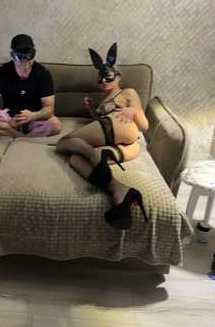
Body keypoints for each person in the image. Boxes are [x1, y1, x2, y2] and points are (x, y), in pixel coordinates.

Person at [56, 43, 150, 229]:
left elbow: (144, 126)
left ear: (118, 76)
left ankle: (94, 155)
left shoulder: (128, 92)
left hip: (122, 126)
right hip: (118, 138)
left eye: (108, 76)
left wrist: (133, 110)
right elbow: (100, 128)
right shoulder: (103, 101)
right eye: (100, 78)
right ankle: (120, 192)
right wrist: (92, 110)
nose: (103, 80)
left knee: (63, 143)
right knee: (75, 159)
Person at [0, 34, 62, 137]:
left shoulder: (42, 73)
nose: (25, 60)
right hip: (10, 119)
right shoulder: (3, 71)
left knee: (55, 125)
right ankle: (21, 137)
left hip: (33, 119)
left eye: (28, 56)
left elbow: (49, 108)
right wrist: (0, 113)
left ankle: (20, 138)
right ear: (12, 55)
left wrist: (33, 115)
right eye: (20, 56)